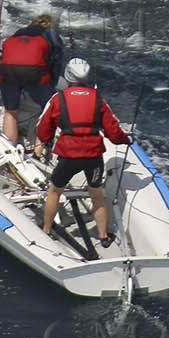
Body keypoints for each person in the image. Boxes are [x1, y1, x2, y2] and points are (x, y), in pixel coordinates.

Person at [35, 58, 129, 247]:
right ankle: (103, 236)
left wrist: (45, 141)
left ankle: (46, 230)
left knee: (54, 191)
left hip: (69, 155)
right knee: (97, 194)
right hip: (93, 156)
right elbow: (113, 132)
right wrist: (125, 140)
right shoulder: (98, 99)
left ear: (67, 76)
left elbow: (43, 129)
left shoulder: (57, 99)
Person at [0, 13, 64, 145]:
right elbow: (56, 65)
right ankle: (39, 150)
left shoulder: (19, 33)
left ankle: (10, 148)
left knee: (11, 112)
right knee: (48, 110)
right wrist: (50, 86)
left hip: (7, 72)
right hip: (33, 73)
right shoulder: (52, 35)